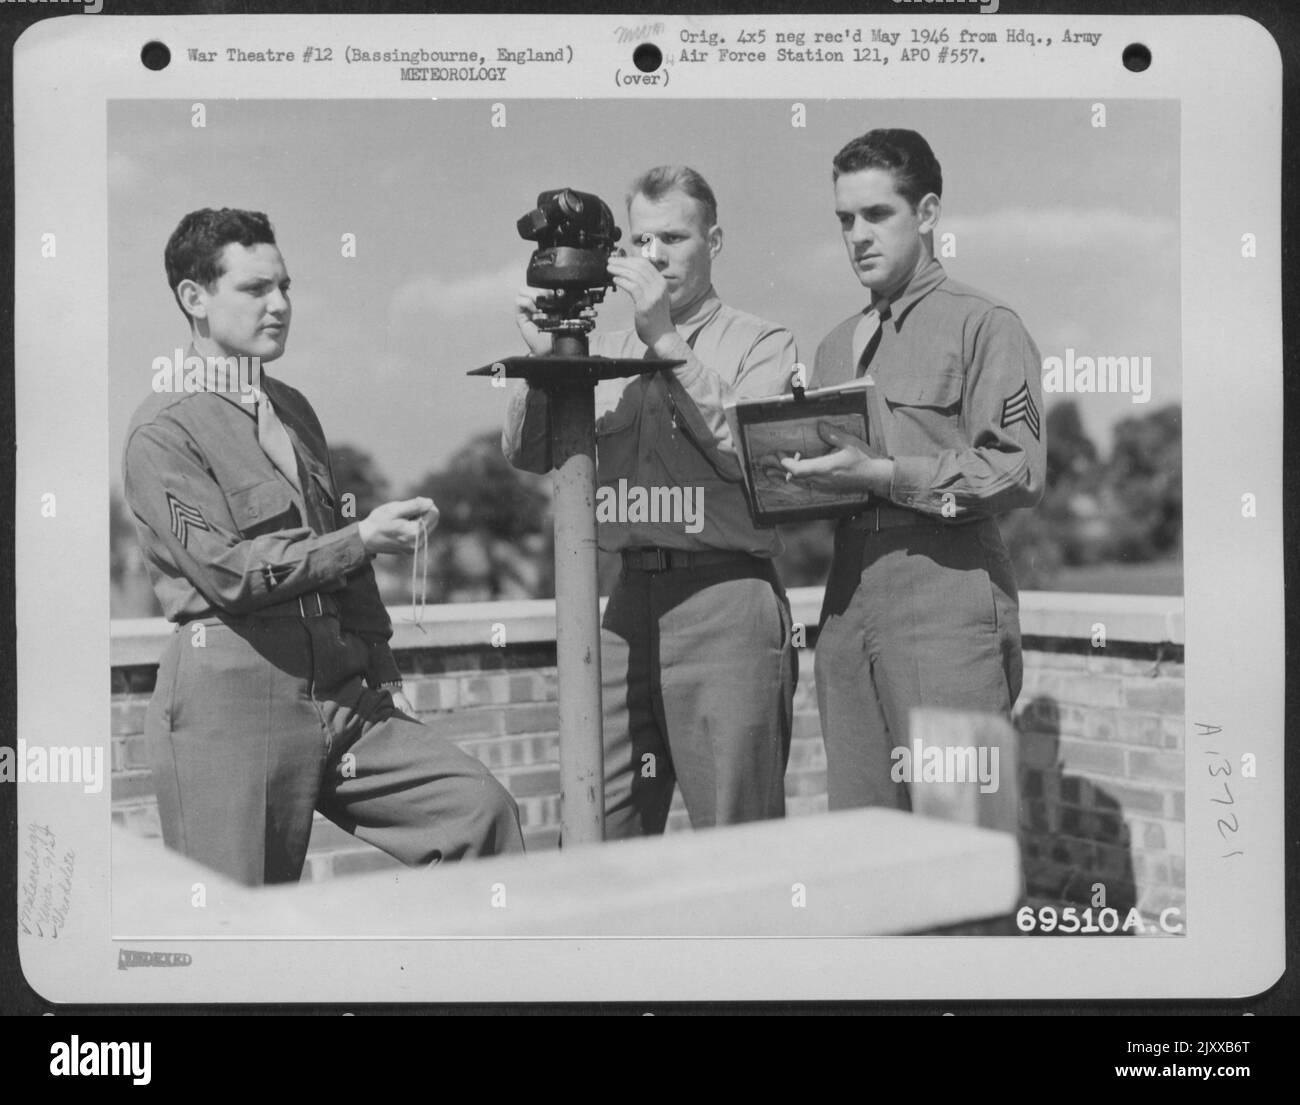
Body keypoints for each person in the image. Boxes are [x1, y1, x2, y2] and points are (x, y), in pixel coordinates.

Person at [123, 208, 523, 885]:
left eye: (285, 286)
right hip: (234, 696)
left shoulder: (296, 409)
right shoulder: (162, 431)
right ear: (194, 298)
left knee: (480, 814)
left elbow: (347, 561)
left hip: (340, 695)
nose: (279, 305)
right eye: (254, 289)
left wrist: (385, 676)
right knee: (240, 926)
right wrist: (359, 538)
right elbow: (230, 575)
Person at [503, 166, 798, 838]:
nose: (654, 254)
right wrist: (546, 362)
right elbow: (529, 452)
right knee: (595, 825)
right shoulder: (601, 348)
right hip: (626, 602)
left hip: (726, 600)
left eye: (673, 236)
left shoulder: (764, 343)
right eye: (641, 240)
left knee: (736, 834)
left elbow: (755, 457)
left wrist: (665, 338)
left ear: (714, 240)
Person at [782, 130, 1046, 811]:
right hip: (847, 595)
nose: (858, 236)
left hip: (946, 581)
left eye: (878, 215)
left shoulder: (984, 324)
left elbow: (1016, 470)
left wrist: (884, 474)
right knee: (866, 839)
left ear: (927, 214)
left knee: (964, 826)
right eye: (845, 219)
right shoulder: (835, 345)